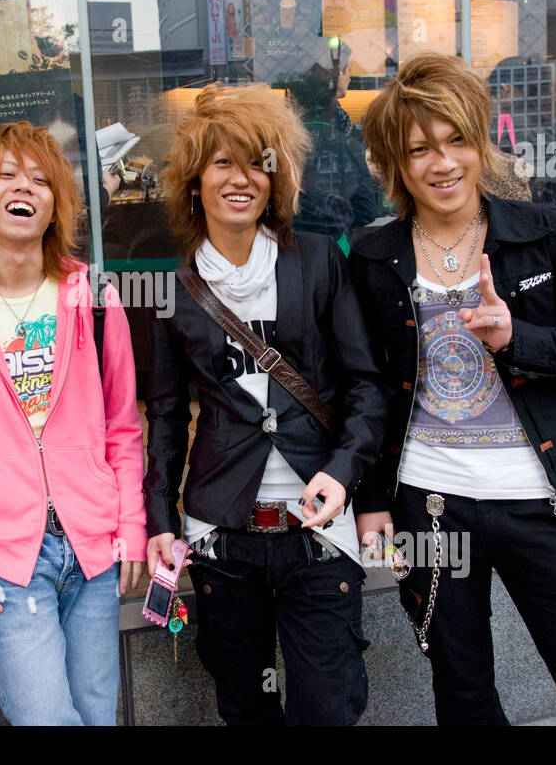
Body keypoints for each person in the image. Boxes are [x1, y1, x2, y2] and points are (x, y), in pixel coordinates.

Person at [349, 54, 556, 726]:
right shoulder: (373, 258)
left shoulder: (546, 235)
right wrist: (371, 501)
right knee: (462, 693)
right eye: (420, 148)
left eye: (456, 138)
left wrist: (518, 338)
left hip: (534, 498)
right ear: (396, 165)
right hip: (430, 503)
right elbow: (365, 388)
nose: (443, 162)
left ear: (481, 139)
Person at [144, 83, 389, 726]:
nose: (241, 178)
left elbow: (366, 385)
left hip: (318, 531)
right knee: (245, 707)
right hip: (224, 537)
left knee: (326, 707)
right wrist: (158, 521)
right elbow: (166, 417)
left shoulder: (317, 264)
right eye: (222, 162)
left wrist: (344, 474)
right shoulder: (172, 291)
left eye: (257, 161)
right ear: (194, 180)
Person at [0, 121, 146, 726]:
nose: (25, 187)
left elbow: (122, 428)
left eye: (42, 180)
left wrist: (130, 526)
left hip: (93, 549)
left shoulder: (93, 297)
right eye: (7, 175)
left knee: (97, 716)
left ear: (56, 205)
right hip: (7, 559)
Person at [296, 41, 380, 243]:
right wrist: (361, 176)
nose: (350, 76)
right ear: (337, 75)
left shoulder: (288, 134)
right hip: (333, 246)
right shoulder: (342, 140)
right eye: (349, 69)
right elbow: (366, 211)